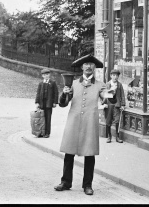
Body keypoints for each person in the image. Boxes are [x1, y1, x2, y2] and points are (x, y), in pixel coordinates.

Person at [55, 54, 117, 196]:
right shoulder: (74, 83)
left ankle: (87, 185)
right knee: (68, 153)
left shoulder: (100, 85)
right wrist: (64, 94)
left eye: (91, 64)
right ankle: (65, 182)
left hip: (90, 123)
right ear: (82, 67)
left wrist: (111, 93)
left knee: (89, 155)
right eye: (86, 64)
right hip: (74, 122)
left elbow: (107, 96)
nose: (89, 66)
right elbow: (63, 104)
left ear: (94, 67)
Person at [103, 69, 125, 143]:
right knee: (108, 121)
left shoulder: (119, 85)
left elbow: (122, 95)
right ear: (111, 76)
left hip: (117, 105)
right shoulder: (107, 84)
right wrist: (104, 103)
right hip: (109, 105)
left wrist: (123, 105)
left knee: (117, 121)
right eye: (113, 75)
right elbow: (104, 95)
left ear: (118, 76)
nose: (115, 77)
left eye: (116, 75)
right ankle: (109, 136)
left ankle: (117, 137)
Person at [35, 68, 59, 138]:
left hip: (49, 103)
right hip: (42, 103)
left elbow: (56, 93)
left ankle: (47, 133)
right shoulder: (41, 83)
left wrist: (55, 102)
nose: (46, 76)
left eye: (47, 74)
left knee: (48, 118)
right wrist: (37, 102)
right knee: (41, 118)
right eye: (44, 75)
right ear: (42, 76)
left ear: (49, 75)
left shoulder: (53, 82)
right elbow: (38, 93)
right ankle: (41, 132)